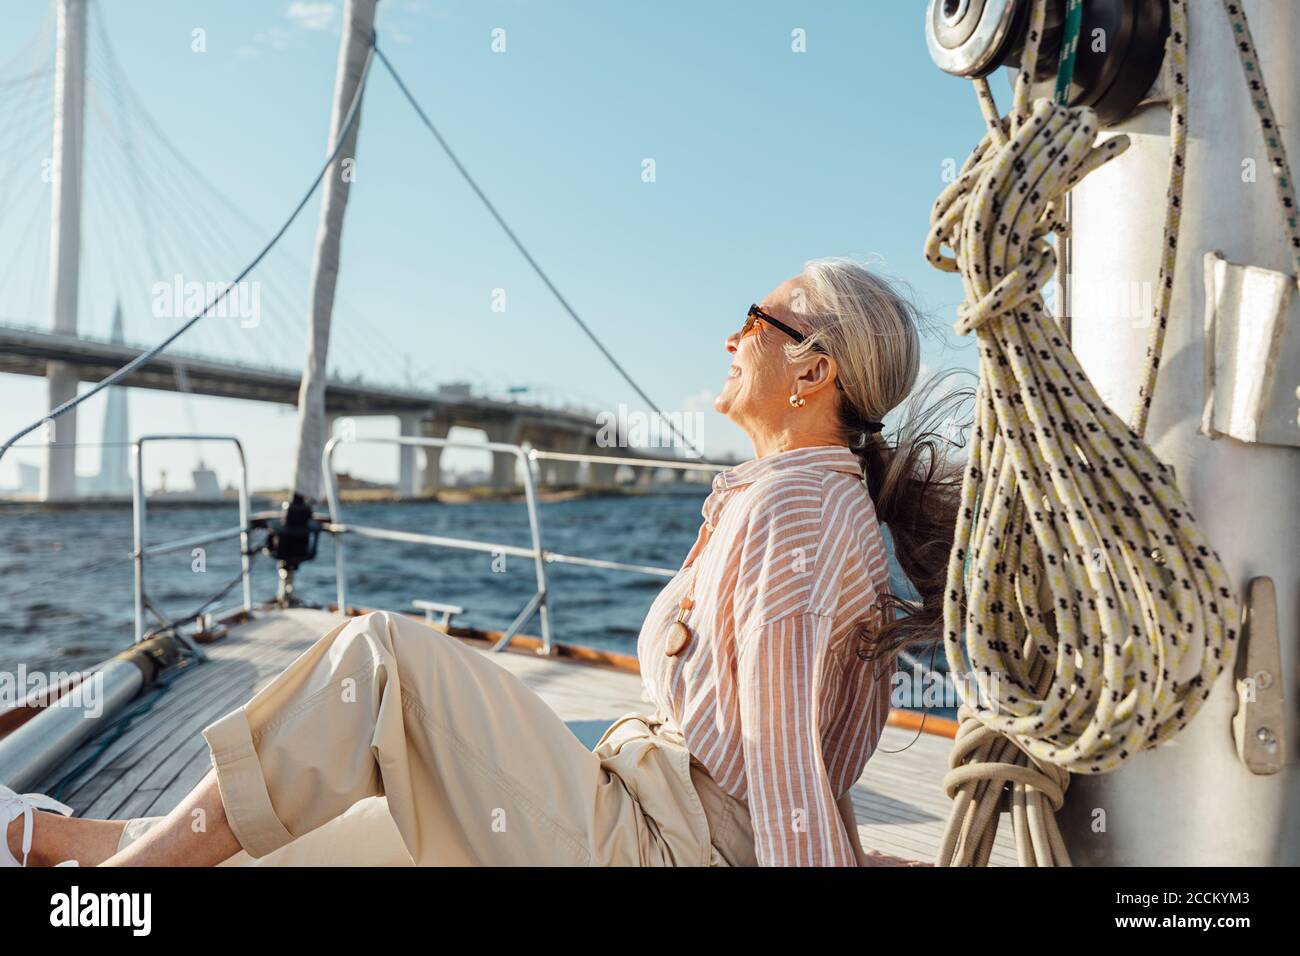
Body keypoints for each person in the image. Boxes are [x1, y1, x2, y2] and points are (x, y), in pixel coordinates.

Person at [3, 258, 960, 867]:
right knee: (334, 836)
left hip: (660, 846)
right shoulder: (813, 495)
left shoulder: (799, 502)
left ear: (813, 369)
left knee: (378, 661)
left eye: (755, 317)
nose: (731, 335)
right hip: (645, 816)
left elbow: (789, 768)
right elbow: (791, 769)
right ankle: (58, 846)